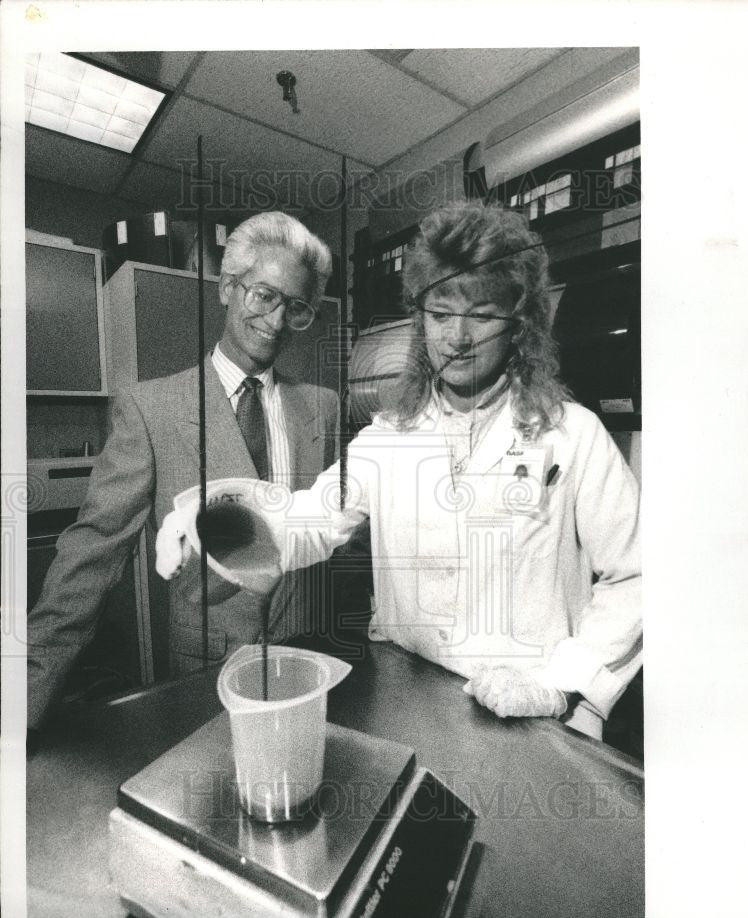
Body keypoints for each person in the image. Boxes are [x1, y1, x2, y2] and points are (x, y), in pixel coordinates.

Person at [157, 200, 642, 740]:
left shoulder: (571, 434)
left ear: (517, 324)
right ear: (420, 320)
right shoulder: (390, 437)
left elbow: (637, 572)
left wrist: (563, 685)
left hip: (532, 717)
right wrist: (208, 520)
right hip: (411, 700)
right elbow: (307, 520)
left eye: (480, 316)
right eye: (439, 314)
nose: (456, 338)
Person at [27, 211, 340, 731]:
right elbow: (90, 558)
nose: (277, 320)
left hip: (306, 659)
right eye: (264, 296)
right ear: (227, 288)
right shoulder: (151, 409)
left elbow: (335, 531)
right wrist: (21, 709)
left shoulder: (323, 407)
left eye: (297, 306)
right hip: (207, 670)